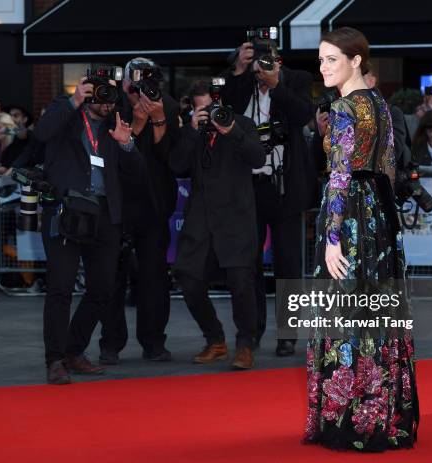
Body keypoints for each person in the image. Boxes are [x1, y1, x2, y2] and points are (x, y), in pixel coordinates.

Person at [304, 27, 418, 451]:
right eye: (320, 60)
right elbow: (387, 167)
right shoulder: (381, 105)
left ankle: (350, 420)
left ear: (356, 61)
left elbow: (337, 175)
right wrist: (382, 225)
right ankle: (384, 415)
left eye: (332, 59)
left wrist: (333, 237)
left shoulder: (344, 108)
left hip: (349, 216)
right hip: (378, 217)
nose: (324, 67)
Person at [34, 76, 142, 385]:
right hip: (67, 210)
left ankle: (73, 350)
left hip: (105, 214)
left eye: (111, 97)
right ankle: (55, 360)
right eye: (100, 95)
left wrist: (128, 144)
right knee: (60, 288)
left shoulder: (116, 124)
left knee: (104, 288)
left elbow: (137, 174)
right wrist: (74, 99)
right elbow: (42, 134)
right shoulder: (65, 113)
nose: (107, 102)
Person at [222, 34, 314, 356]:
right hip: (249, 188)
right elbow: (227, 112)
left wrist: (276, 85)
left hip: (285, 187)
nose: (262, 68)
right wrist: (238, 71)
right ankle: (251, 331)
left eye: (268, 62)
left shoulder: (298, 80)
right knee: (249, 264)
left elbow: (303, 115)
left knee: (288, 263)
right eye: (257, 62)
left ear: (280, 62)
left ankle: (287, 333)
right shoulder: (242, 83)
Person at [169, 79, 265, 369]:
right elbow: (176, 165)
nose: (208, 114)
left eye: (211, 108)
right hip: (200, 219)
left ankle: (246, 345)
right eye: (201, 110)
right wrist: (190, 131)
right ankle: (215, 339)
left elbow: (258, 157)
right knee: (188, 278)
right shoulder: (192, 133)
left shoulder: (243, 125)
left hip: (236, 218)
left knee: (241, 283)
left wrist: (231, 130)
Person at [98, 57, 180, 364]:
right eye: (135, 83)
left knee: (154, 278)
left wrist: (157, 120)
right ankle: (111, 342)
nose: (140, 89)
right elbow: (110, 156)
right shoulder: (111, 107)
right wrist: (137, 123)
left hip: (154, 205)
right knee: (111, 278)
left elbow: (173, 159)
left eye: (147, 82)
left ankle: (154, 341)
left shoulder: (167, 106)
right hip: (117, 205)